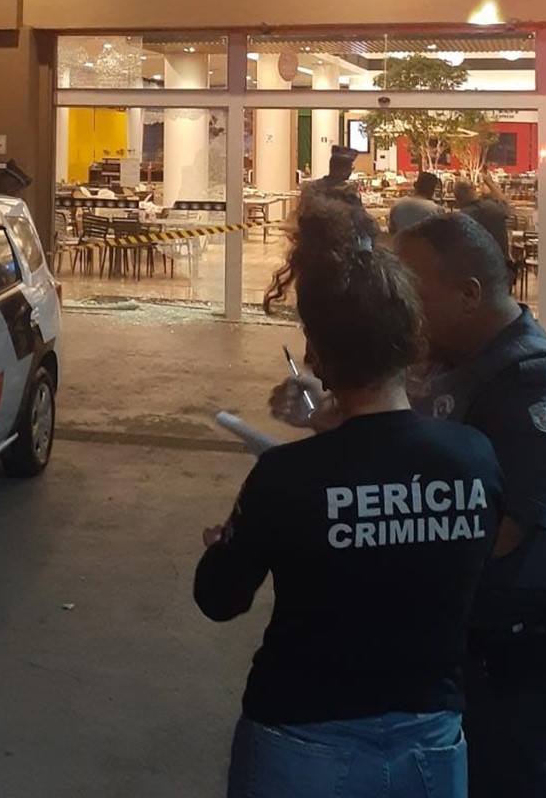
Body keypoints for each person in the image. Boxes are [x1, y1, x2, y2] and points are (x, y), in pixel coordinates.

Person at [196, 200, 503, 798]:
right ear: (412, 341)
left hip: (300, 740)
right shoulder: (473, 458)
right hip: (433, 743)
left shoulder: (286, 478)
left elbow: (219, 597)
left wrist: (230, 543)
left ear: (316, 353)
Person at [394, 214, 546, 798]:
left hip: (520, 663)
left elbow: (498, 534)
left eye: (409, 288)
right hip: (459, 647)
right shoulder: (447, 368)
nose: (396, 303)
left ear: (467, 295)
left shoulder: (539, 391)